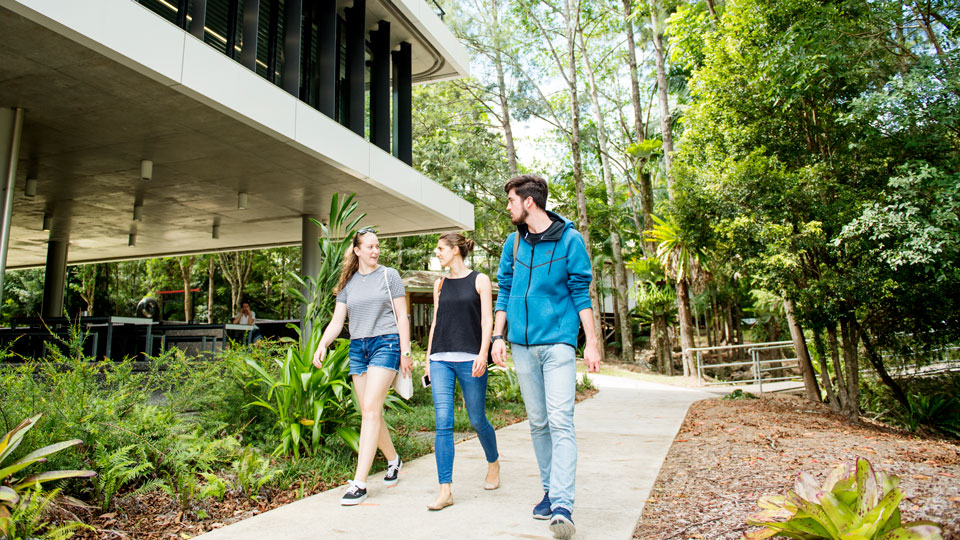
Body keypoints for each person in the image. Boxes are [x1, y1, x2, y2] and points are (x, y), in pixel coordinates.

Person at [490, 174, 601, 540]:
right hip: (521, 344)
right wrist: (497, 336)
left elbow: (580, 292)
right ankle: (549, 490)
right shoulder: (513, 244)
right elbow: (504, 290)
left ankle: (563, 506)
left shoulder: (570, 240)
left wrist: (593, 342)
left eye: (511, 201)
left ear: (529, 202)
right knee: (538, 421)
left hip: (557, 343)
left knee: (560, 420)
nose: (508, 207)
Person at [312, 228, 412, 506]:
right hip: (358, 347)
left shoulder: (388, 275)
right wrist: (322, 344)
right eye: (369, 247)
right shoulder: (349, 283)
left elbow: (402, 316)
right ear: (357, 251)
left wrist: (406, 351)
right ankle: (393, 459)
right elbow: (337, 321)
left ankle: (360, 483)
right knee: (370, 411)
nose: (375, 250)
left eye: (377, 246)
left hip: (386, 344)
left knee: (369, 410)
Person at [423, 233, 500, 511]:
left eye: (441, 249)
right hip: (441, 358)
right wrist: (428, 358)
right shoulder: (439, 283)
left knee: (477, 418)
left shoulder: (480, 280)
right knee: (443, 421)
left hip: (471, 358)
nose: (438, 254)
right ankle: (446, 490)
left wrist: (483, 354)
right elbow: (436, 322)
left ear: (456, 251)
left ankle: (493, 462)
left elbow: (487, 320)